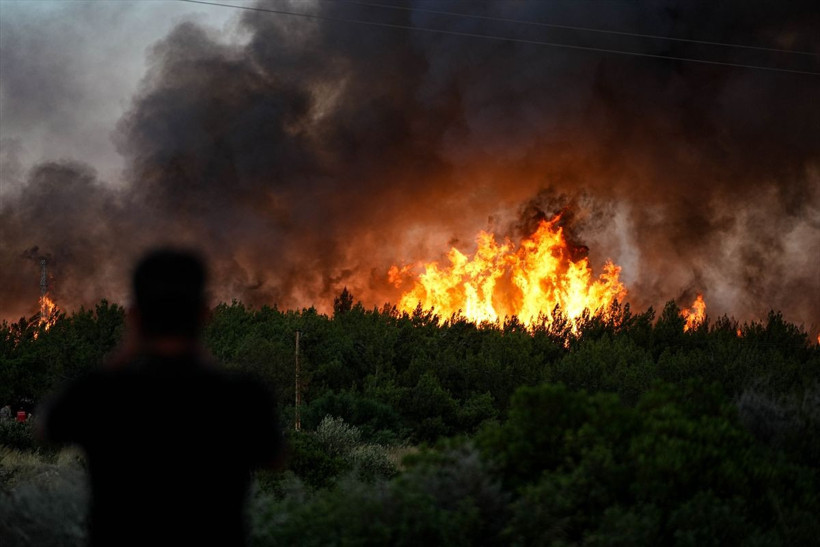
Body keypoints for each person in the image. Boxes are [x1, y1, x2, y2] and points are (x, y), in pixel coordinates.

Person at [38, 248, 285, 547]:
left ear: (135, 318)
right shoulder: (242, 396)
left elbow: (47, 426)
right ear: (205, 314)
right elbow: (274, 456)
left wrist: (123, 354)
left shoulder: (101, 394)